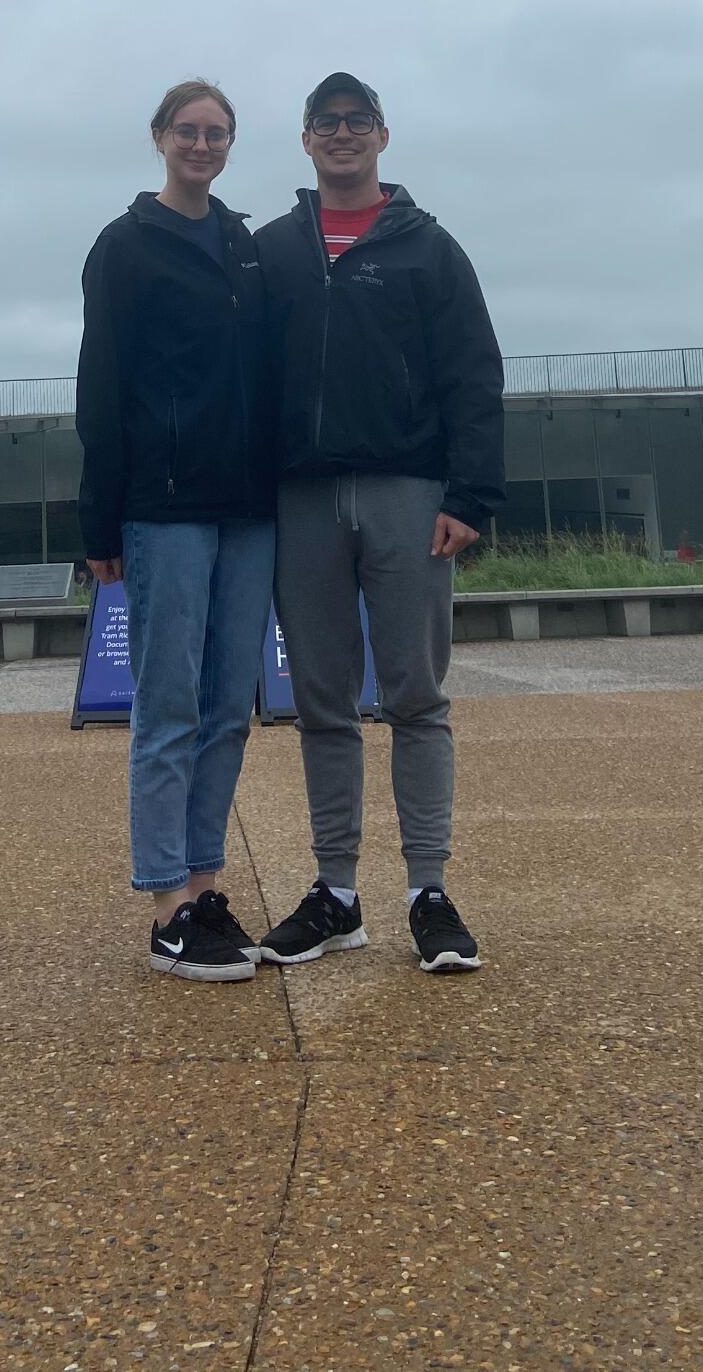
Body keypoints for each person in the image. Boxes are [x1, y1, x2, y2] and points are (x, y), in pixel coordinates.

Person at [252, 72, 504, 974]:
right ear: (307, 141)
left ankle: (428, 893)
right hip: (301, 498)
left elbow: (473, 373)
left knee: (415, 699)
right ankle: (336, 894)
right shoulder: (274, 249)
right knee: (321, 702)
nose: (342, 135)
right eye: (326, 124)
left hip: (406, 491)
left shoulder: (428, 248)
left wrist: (468, 496)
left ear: (383, 137)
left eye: (357, 122)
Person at [77, 81, 276, 983]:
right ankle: (165, 909)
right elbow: (101, 388)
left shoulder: (239, 244)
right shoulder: (124, 247)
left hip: (246, 505)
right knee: (169, 709)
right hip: (163, 505)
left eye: (217, 134)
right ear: (159, 137)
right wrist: (100, 516)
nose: (202, 145)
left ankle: (203, 886)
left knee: (229, 705)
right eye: (187, 132)